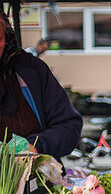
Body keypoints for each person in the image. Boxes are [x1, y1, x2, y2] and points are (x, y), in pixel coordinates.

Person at [0, 11, 81, 158]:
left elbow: (69, 125)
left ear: (6, 39)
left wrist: (36, 146)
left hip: (36, 177)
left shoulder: (32, 71)